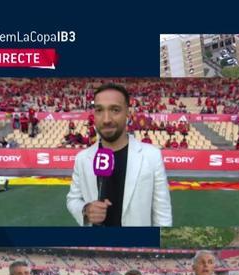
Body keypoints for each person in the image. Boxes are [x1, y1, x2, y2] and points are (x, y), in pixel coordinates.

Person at [65, 83, 172, 227]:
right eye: (99, 110)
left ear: (128, 113)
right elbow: (73, 199)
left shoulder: (152, 156)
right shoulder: (82, 159)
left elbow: (162, 215)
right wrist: (85, 209)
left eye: (115, 110)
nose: (106, 119)